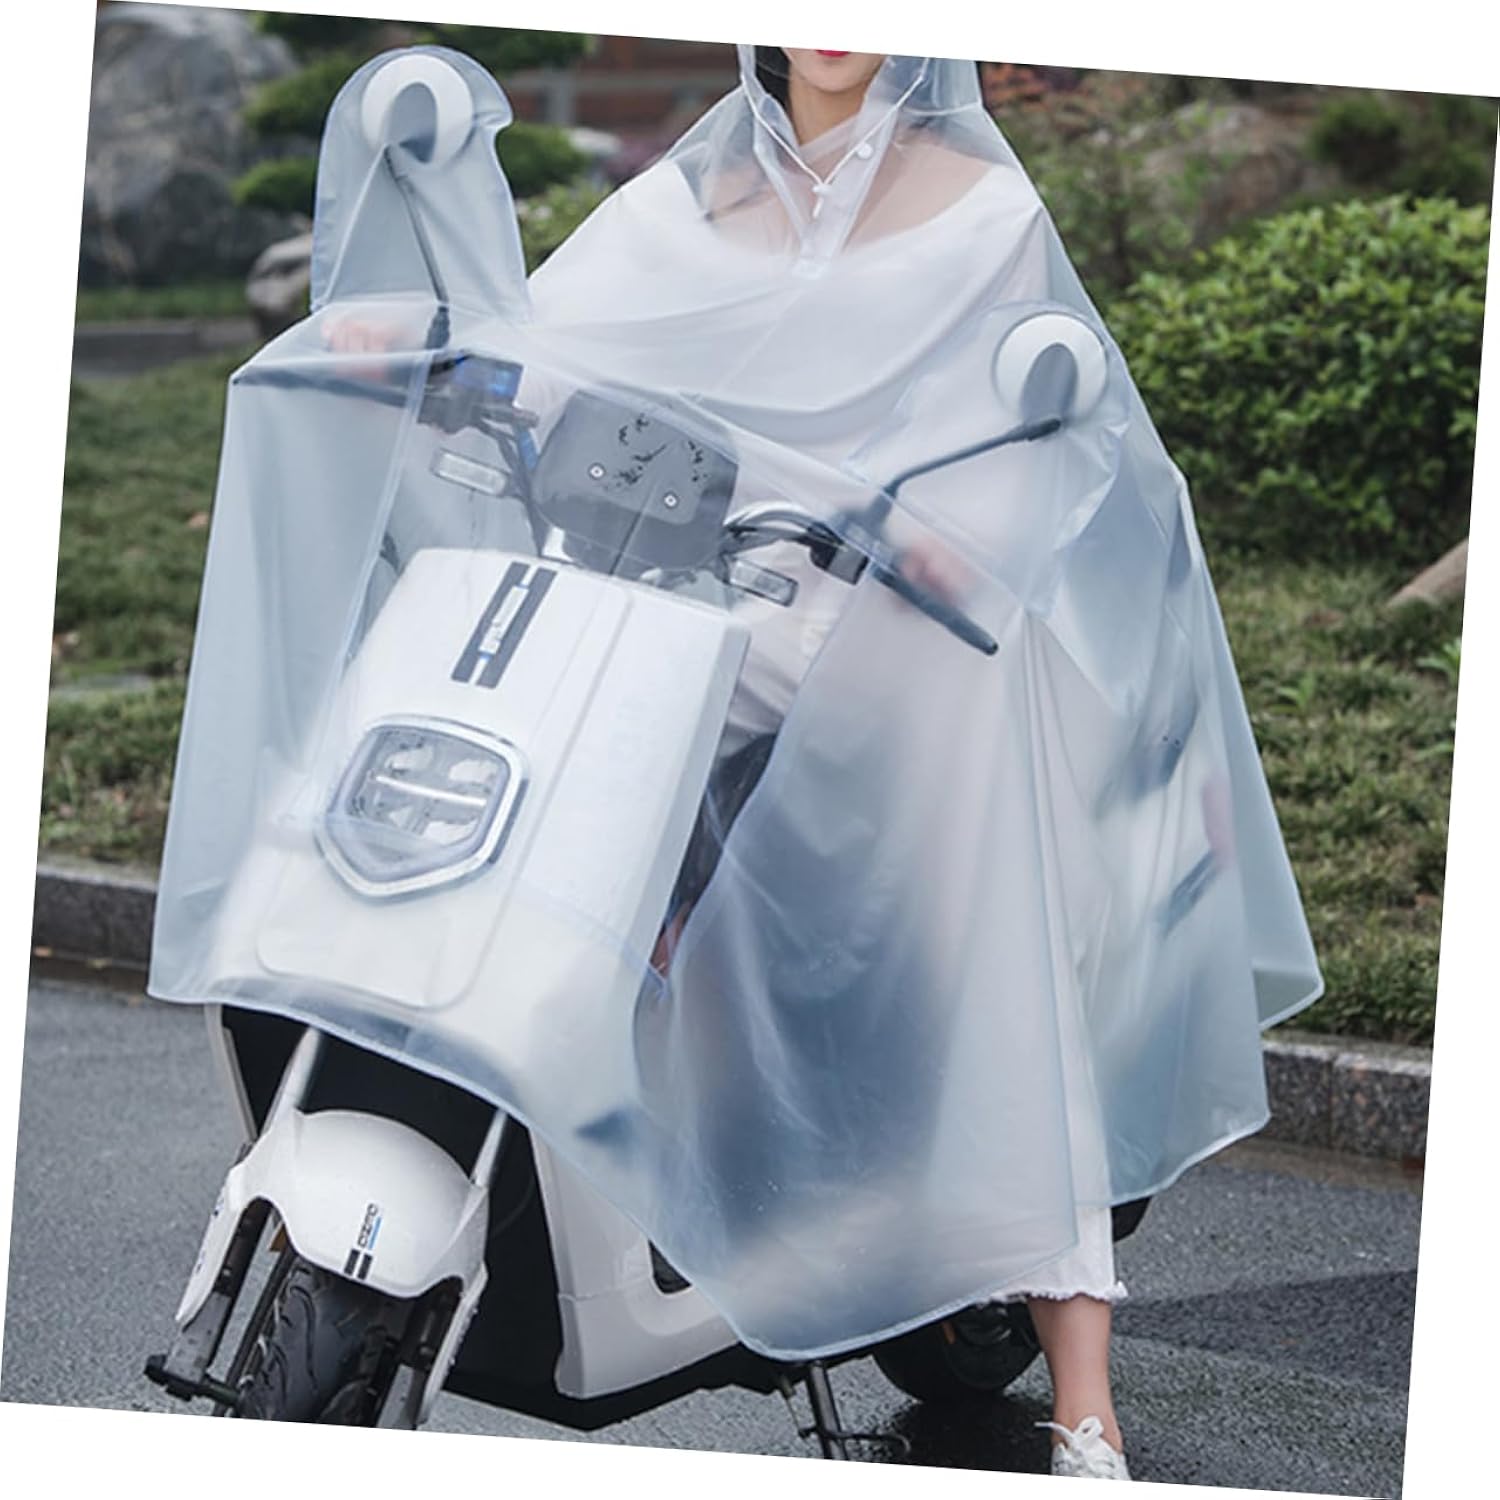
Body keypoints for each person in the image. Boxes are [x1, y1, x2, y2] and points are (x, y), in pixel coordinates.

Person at [324, 43, 1322, 1483]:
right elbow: (558, 356)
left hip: (897, 629)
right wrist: (435, 361)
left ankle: (1085, 1396)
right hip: (690, 610)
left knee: (996, 935)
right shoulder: (688, 199)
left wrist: (932, 539)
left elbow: (1025, 434)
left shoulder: (981, 208)